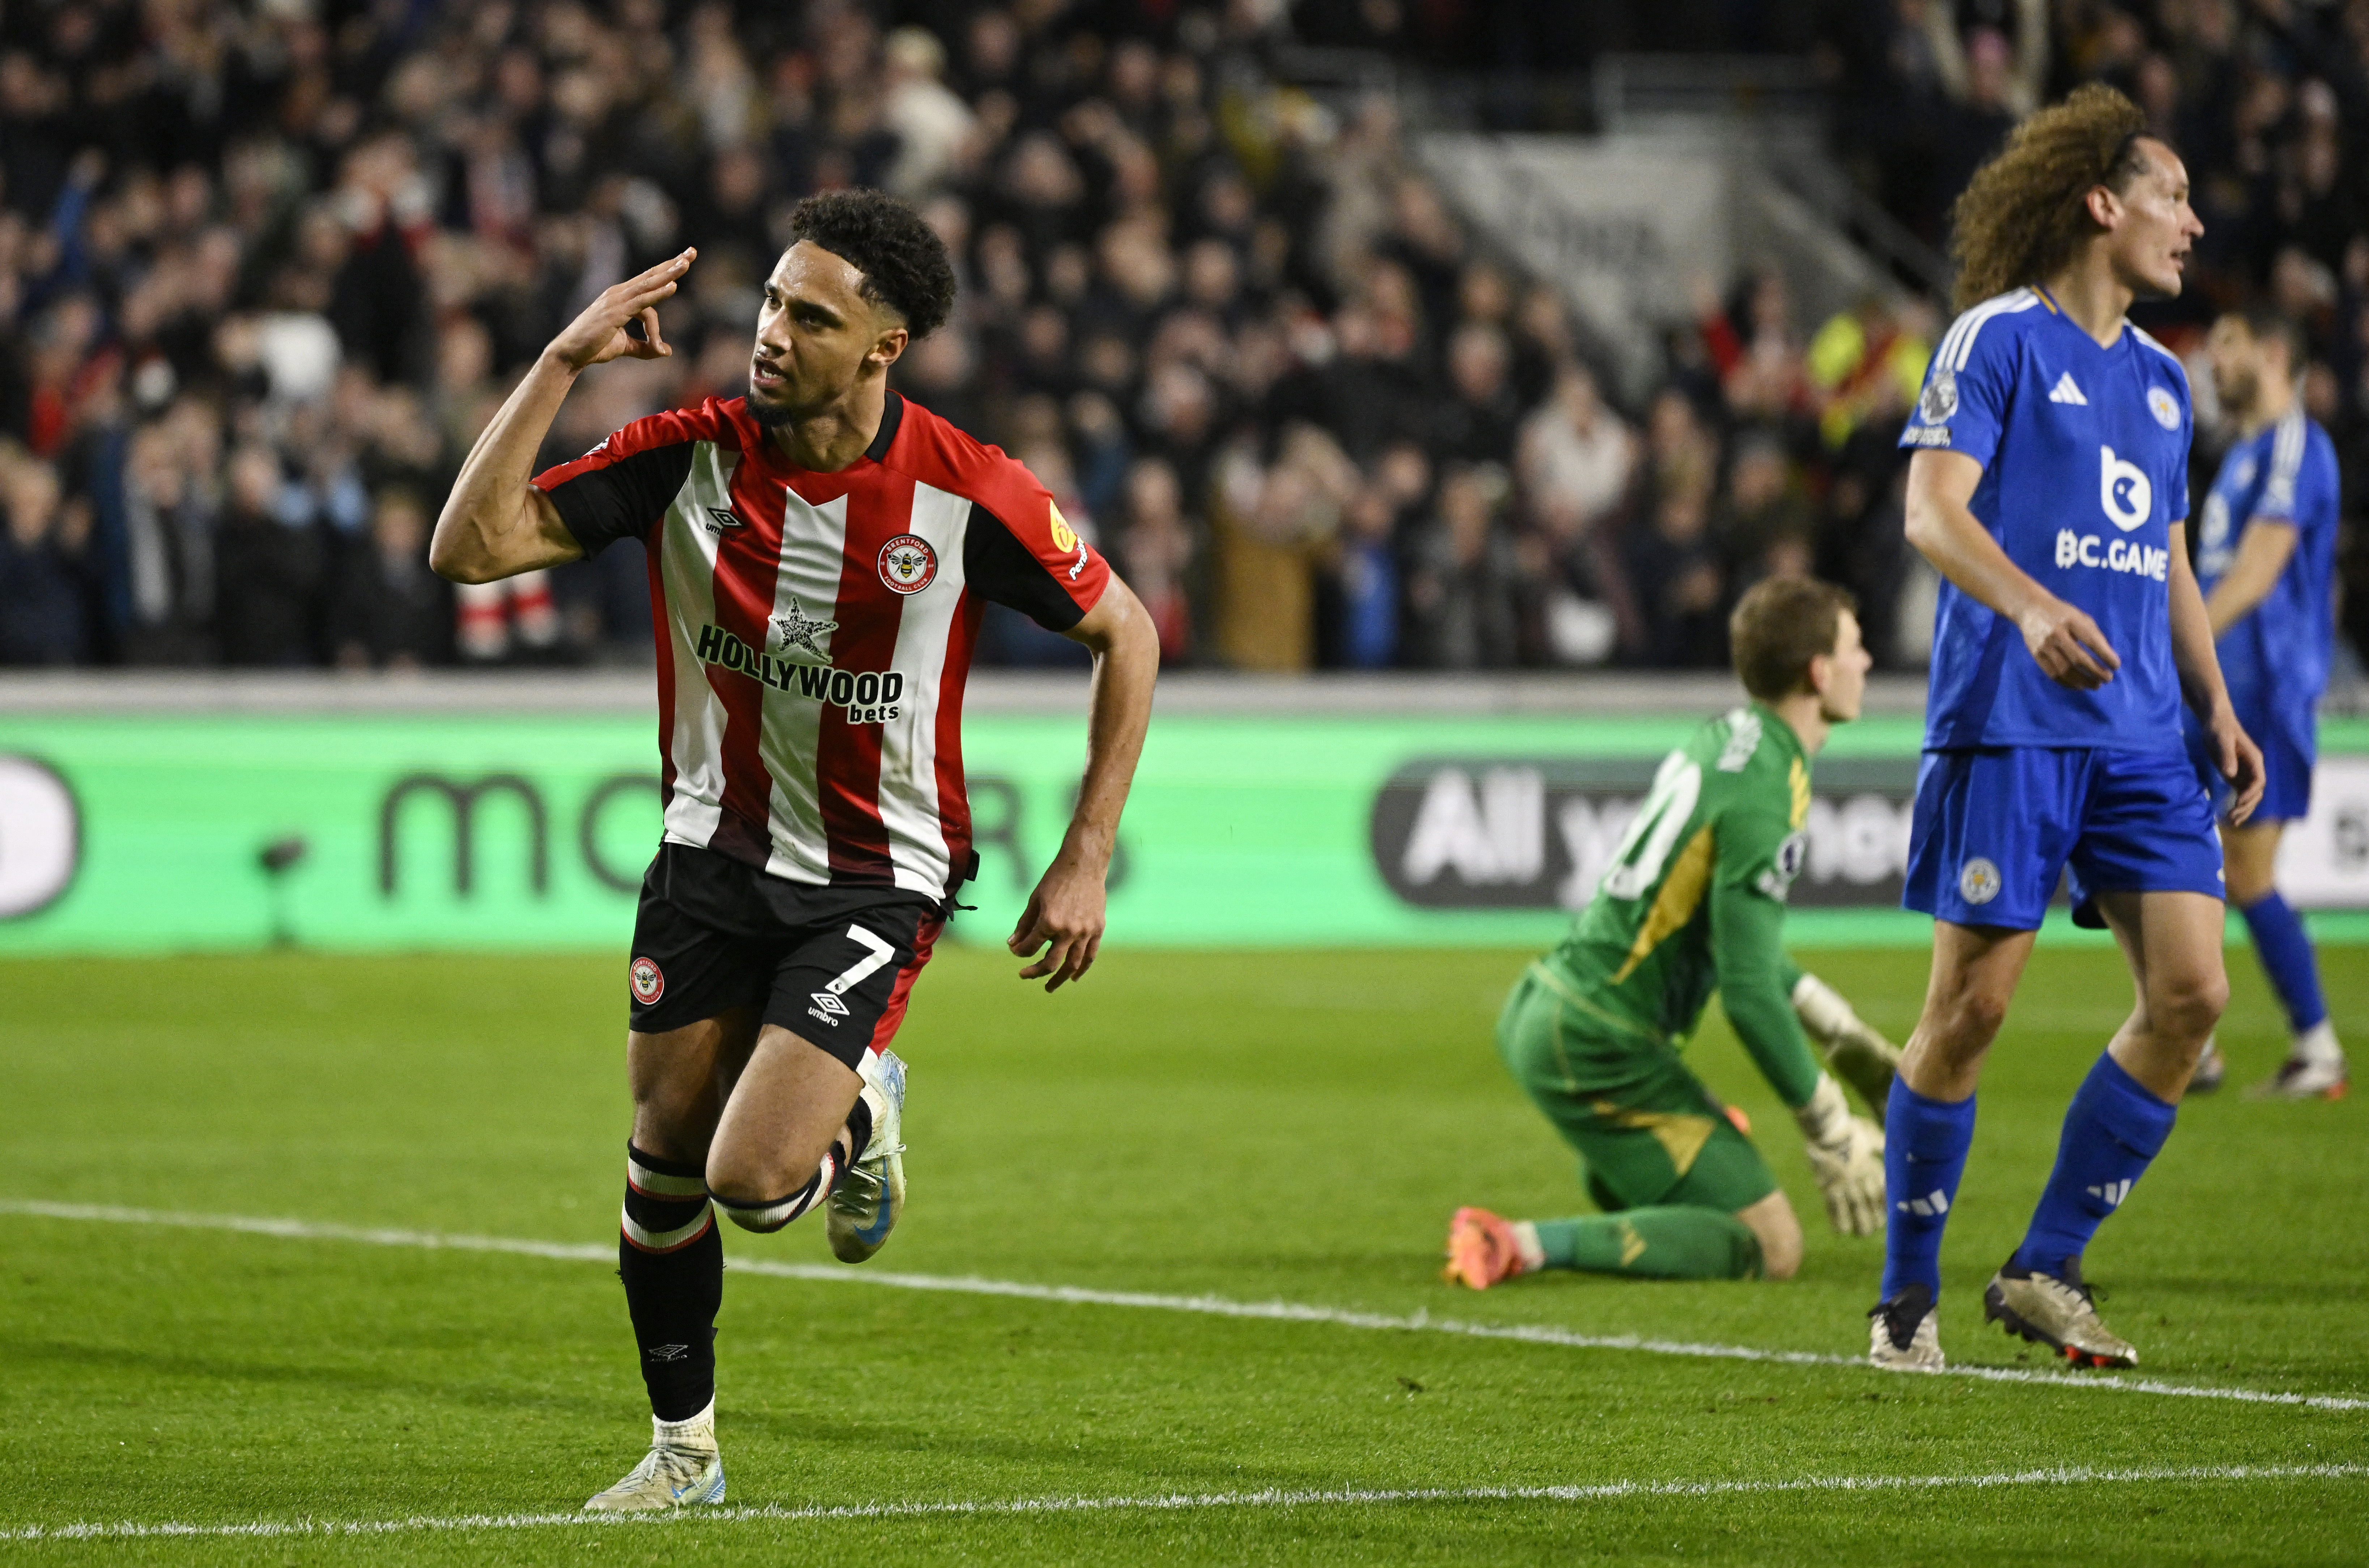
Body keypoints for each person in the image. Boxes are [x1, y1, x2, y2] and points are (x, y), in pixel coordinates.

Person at [429, 191, 1159, 1510]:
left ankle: (864, 1101)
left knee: (754, 1181)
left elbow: (1131, 632)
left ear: (883, 345)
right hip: (708, 850)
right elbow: (469, 546)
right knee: (660, 1167)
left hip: (878, 870)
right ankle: (684, 1454)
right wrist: (561, 362)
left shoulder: (965, 490)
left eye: (810, 316)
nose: (772, 332)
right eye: (770, 300)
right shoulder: (687, 451)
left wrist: (1086, 848)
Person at [1872, 86, 2264, 1375]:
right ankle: (1904, 1301)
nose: (2193, 225)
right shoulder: (1994, 340)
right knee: (1971, 1009)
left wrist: (2213, 701)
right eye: (2173, 196)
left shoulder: (2161, 383)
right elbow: (1932, 513)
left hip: (2144, 731)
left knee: (2194, 993)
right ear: (2103, 202)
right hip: (2013, 720)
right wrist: (2032, 604)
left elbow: (2164, 559)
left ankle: (2043, 1265)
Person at [1444, 577, 1901, 1289]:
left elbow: (1728, 938)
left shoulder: (1726, 738)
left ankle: (1634, 1177)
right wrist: (1829, 1127)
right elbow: (1749, 992)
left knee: (1729, 1151)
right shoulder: (1767, 789)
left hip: (1552, 1008)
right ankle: (1519, 1244)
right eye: (1854, 646)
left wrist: (1840, 1029)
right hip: (1600, 1043)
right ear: (1819, 671)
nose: (1868, 661)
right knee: (1775, 1248)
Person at [2185, 308, 2347, 1100]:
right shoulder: (2244, 455)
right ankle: (2195, 1038)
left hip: (2267, 692)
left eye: (2227, 346)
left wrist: (2174, 648)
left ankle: (2315, 1049)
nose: (2213, 363)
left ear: (2273, 352)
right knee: (2195, 857)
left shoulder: (2294, 446)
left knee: (2245, 869)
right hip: (2226, 689)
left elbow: (2256, 574)